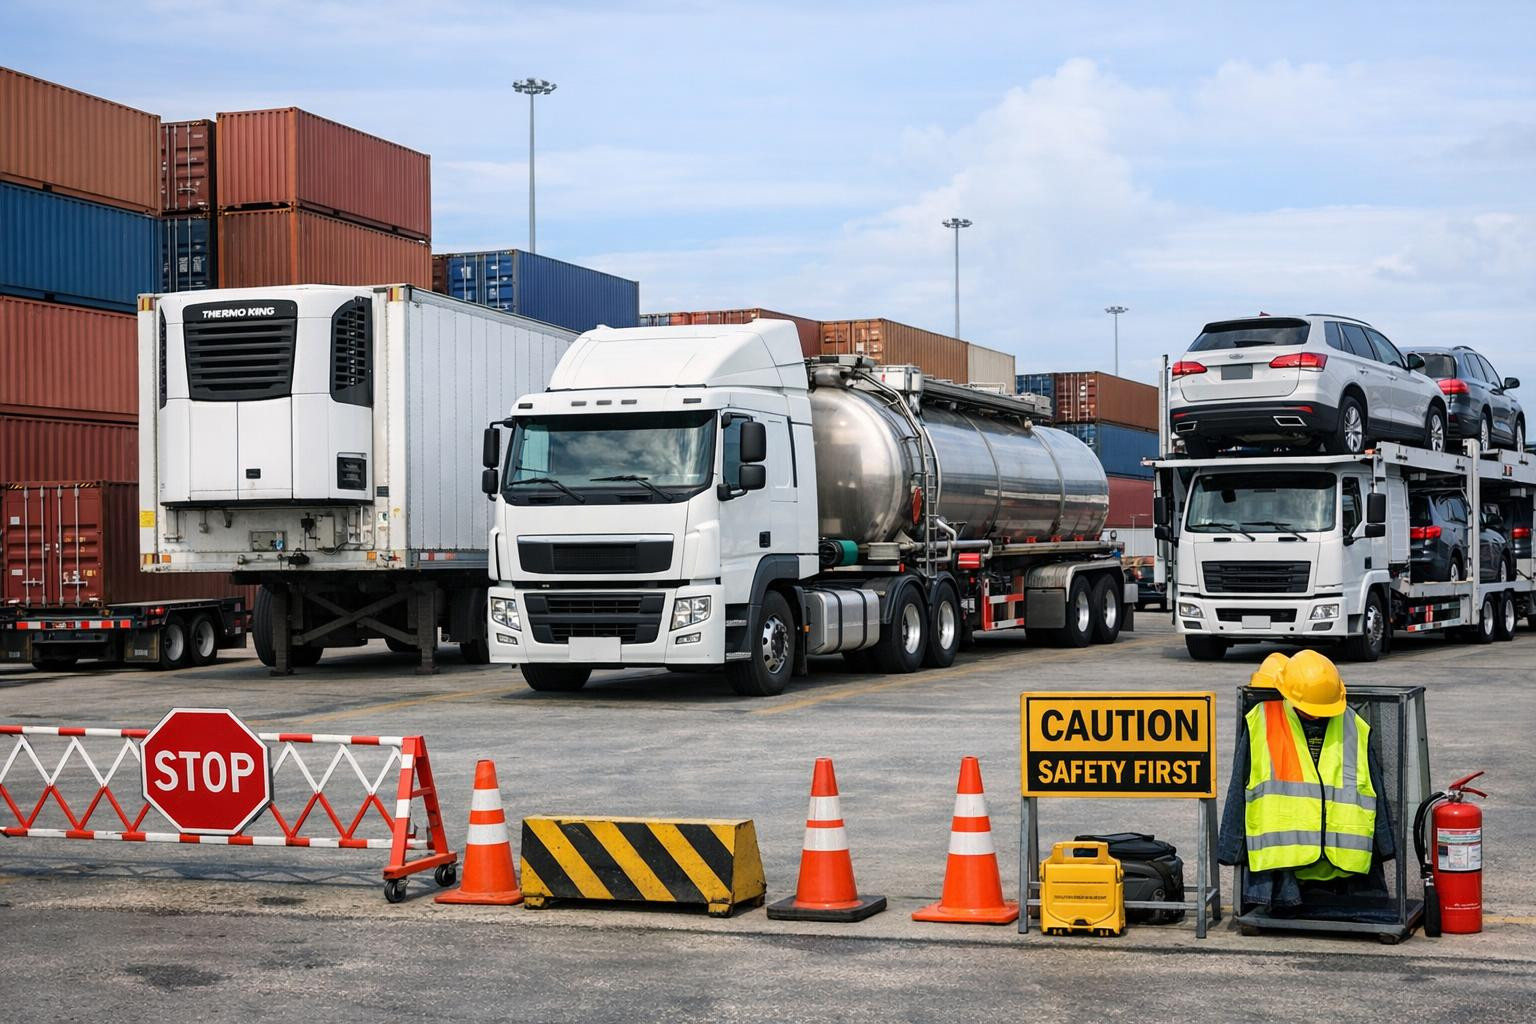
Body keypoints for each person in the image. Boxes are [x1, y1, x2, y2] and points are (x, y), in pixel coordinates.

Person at [1219, 649, 1395, 913]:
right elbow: (1239, 789)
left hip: (1344, 866)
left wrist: (1385, 844)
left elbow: (1374, 789)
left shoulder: (1355, 727)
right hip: (1284, 866)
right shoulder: (1262, 724)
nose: (1316, 715)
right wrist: (1230, 847)